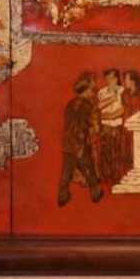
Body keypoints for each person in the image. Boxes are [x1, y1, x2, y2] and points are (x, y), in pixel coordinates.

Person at [58, 72, 103, 206]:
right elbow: (94, 126)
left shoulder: (70, 104)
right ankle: (96, 194)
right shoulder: (88, 105)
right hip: (81, 143)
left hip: (68, 142)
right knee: (88, 169)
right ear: (86, 91)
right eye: (91, 90)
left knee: (66, 172)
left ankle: (62, 197)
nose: (92, 92)